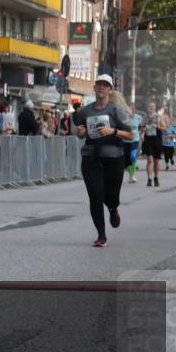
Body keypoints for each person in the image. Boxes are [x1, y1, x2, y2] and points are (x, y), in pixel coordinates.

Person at [73, 75, 132, 247]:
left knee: (111, 196)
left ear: (110, 90)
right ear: (94, 87)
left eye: (105, 85)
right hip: (91, 157)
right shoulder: (85, 111)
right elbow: (78, 132)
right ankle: (101, 235)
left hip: (113, 158)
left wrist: (113, 131)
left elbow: (130, 134)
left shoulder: (115, 110)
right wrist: (80, 131)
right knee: (95, 196)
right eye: (99, 84)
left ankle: (113, 209)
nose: (101, 88)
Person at [141, 100, 167, 187]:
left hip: (156, 139)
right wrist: (143, 131)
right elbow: (142, 127)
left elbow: (164, 128)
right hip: (148, 140)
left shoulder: (158, 117)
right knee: (150, 160)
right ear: (148, 108)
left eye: (153, 106)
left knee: (156, 160)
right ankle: (149, 179)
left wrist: (158, 126)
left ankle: (156, 177)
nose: (151, 108)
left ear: (155, 108)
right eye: (150, 106)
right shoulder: (145, 117)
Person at [122, 101, 142, 184]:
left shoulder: (138, 118)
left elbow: (140, 128)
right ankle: (131, 174)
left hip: (135, 139)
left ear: (134, 109)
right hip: (125, 140)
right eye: (129, 108)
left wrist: (141, 136)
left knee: (133, 156)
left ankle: (133, 175)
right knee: (128, 158)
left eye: (132, 108)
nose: (130, 109)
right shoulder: (124, 118)